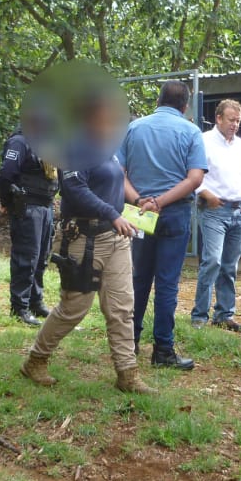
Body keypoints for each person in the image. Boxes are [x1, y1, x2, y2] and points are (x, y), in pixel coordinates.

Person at [21, 90, 153, 394]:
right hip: (82, 238)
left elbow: (113, 183)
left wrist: (137, 201)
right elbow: (74, 189)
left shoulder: (108, 147)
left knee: (122, 308)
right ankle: (35, 360)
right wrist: (111, 213)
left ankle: (127, 374)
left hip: (116, 238)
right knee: (74, 308)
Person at [120, 81, 207, 370]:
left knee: (138, 279)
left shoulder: (133, 128)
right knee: (167, 283)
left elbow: (118, 173)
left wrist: (141, 201)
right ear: (185, 105)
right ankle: (163, 350)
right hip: (174, 213)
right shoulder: (191, 131)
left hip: (139, 214)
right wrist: (161, 202)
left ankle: (129, 343)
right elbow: (195, 179)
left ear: (158, 100)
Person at [190, 99, 241, 332]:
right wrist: (207, 195)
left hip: (239, 211)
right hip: (215, 210)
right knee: (212, 261)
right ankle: (199, 315)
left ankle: (225, 315)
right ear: (218, 118)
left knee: (230, 266)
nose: (235, 124)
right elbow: (194, 175)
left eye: (238, 120)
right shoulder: (204, 141)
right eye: (231, 120)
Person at [0, 124, 59, 326]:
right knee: (26, 258)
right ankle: (19, 307)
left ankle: (36, 302)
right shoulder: (20, 141)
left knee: (41, 257)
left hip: (45, 206)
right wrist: (7, 202)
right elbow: (6, 174)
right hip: (27, 207)